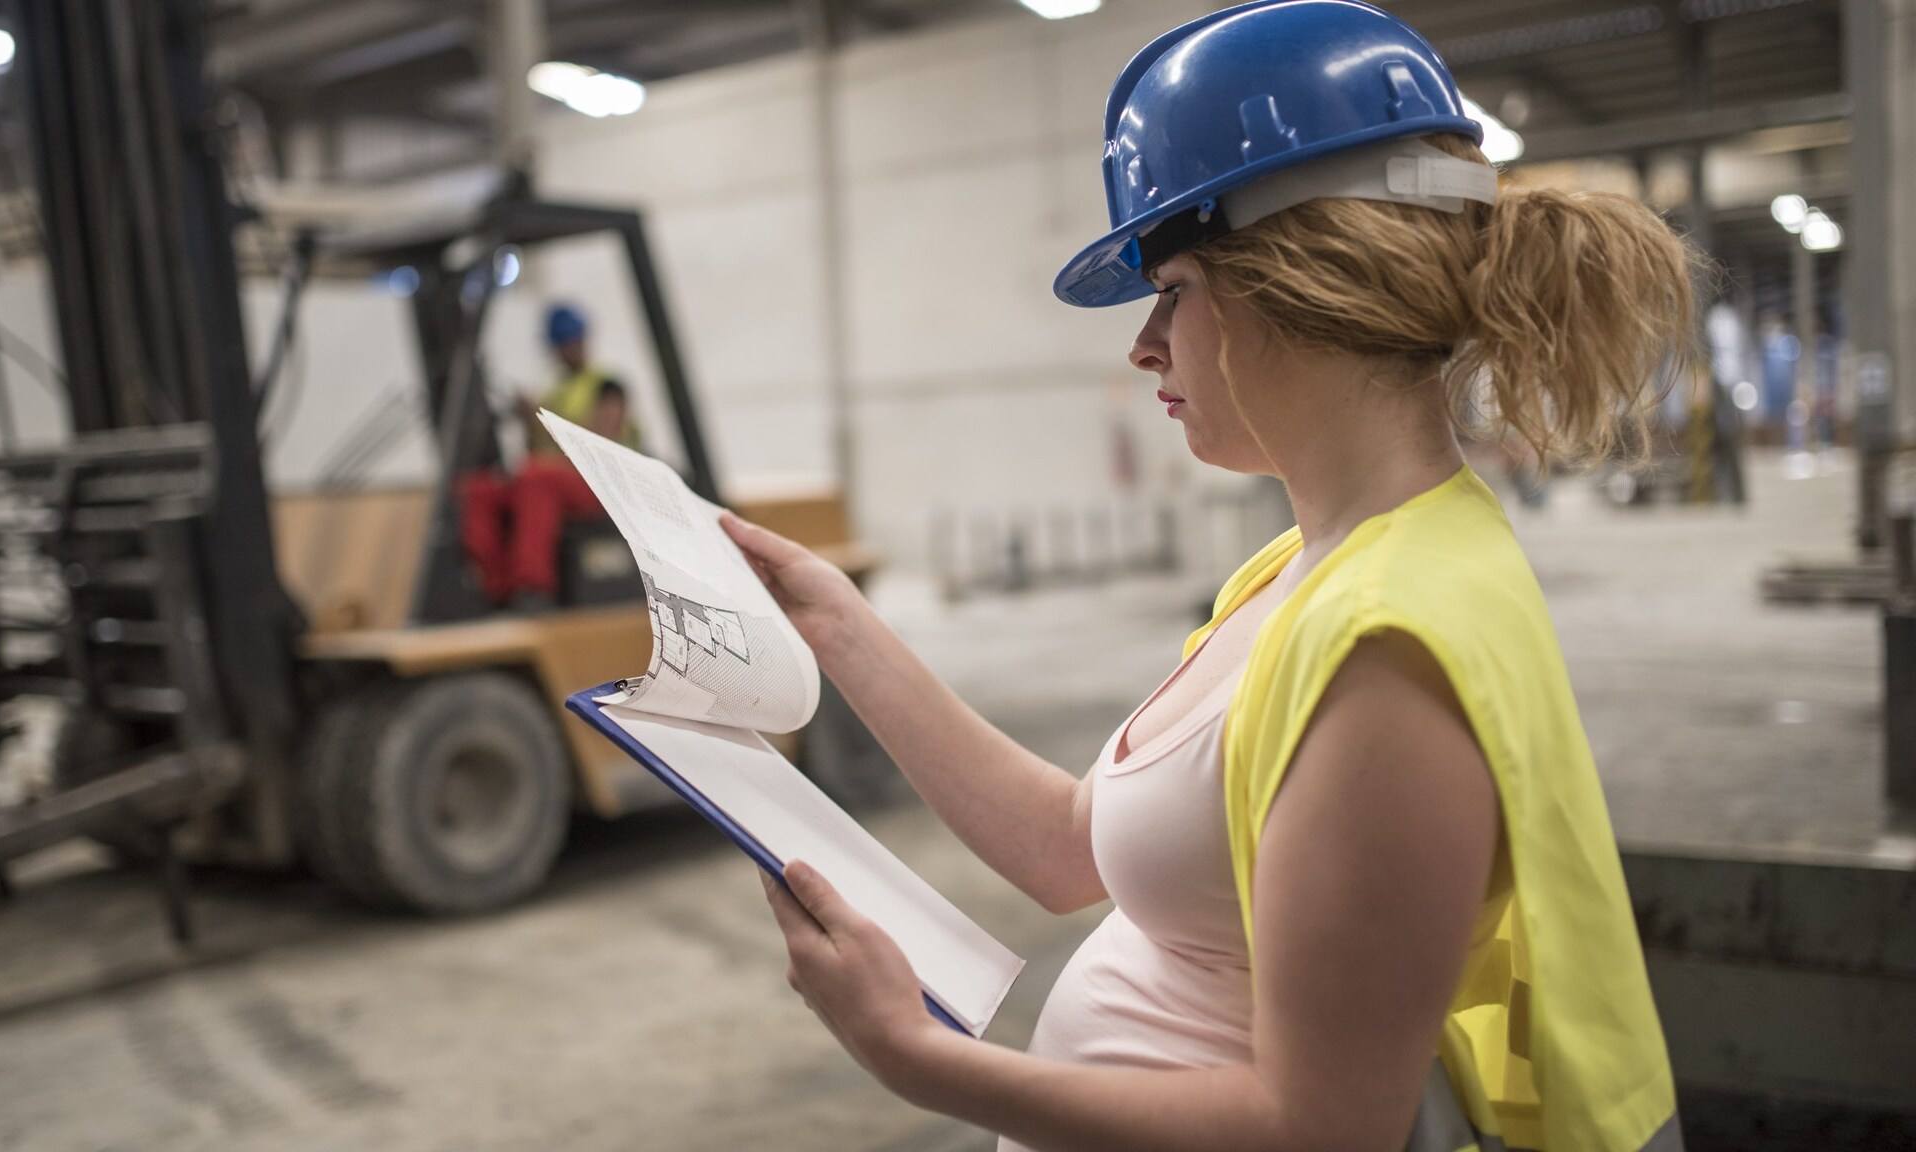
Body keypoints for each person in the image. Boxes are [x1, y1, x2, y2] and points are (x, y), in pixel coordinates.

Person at [719, 3, 1692, 1151]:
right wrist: (838, 626)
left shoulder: (1387, 652)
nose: (1141, 347)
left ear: (1305, 280)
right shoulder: (1310, 567)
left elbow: (1319, 1127)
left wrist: (920, 1061)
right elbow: (1073, 845)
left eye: (1169, 290)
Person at [458, 302, 639, 607]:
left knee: (535, 478)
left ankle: (533, 587)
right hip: (559, 480)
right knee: (479, 488)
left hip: (602, 484)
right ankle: (494, 587)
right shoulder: (554, 391)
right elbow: (535, 450)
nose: (570, 348)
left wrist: (544, 419)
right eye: (563, 343)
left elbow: (599, 441)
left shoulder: (606, 386)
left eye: (574, 340)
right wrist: (529, 421)